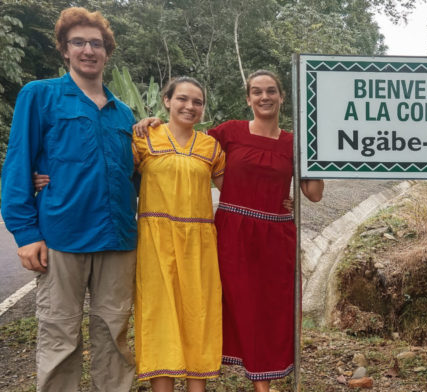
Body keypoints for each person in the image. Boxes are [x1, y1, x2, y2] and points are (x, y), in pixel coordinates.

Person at [133, 70, 323, 392]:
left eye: (271, 91)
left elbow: (314, 193)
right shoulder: (228, 133)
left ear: (281, 97)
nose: (265, 97)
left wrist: (319, 149)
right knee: (223, 307)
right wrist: (150, 121)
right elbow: (182, 140)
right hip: (230, 234)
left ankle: (262, 383)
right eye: (257, 92)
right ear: (248, 98)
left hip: (273, 235)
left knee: (269, 308)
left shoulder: (294, 143)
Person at [0, 7, 138, 391]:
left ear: (107, 51)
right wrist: (26, 233)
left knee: (115, 333)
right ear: (64, 49)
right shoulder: (40, 96)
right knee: (59, 335)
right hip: (61, 237)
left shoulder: (123, 113)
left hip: (118, 239)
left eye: (96, 43)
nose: (88, 50)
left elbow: (138, 177)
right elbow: (18, 164)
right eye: (79, 42)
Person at [132, 77, 225, 392]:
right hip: (155, 241)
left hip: (199, 243)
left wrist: (280, 197)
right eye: (183, 99)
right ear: (167, 101)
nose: (190, 106)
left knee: (198, 312)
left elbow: (237, 191)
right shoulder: (144, 138)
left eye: (197, 102)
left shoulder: (211, 147)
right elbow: (110, 175)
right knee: (160, 313)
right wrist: (47, 178)